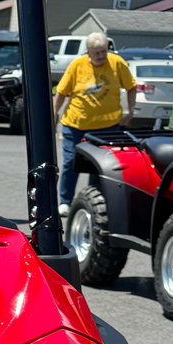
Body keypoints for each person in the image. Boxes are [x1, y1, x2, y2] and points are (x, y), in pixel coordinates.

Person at [53, 32, 137, 213]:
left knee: (100, 165)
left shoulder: (117, 63)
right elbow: (61, 92)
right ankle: (65, 201)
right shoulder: (77, 65)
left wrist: (130, 111)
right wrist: (54, 112)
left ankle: (95, 201)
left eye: (104, 51)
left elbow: (131, 86)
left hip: (107, 126)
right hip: (76, 124)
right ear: (88, 52)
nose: (101, 56)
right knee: (70, 162)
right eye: (97, 52)